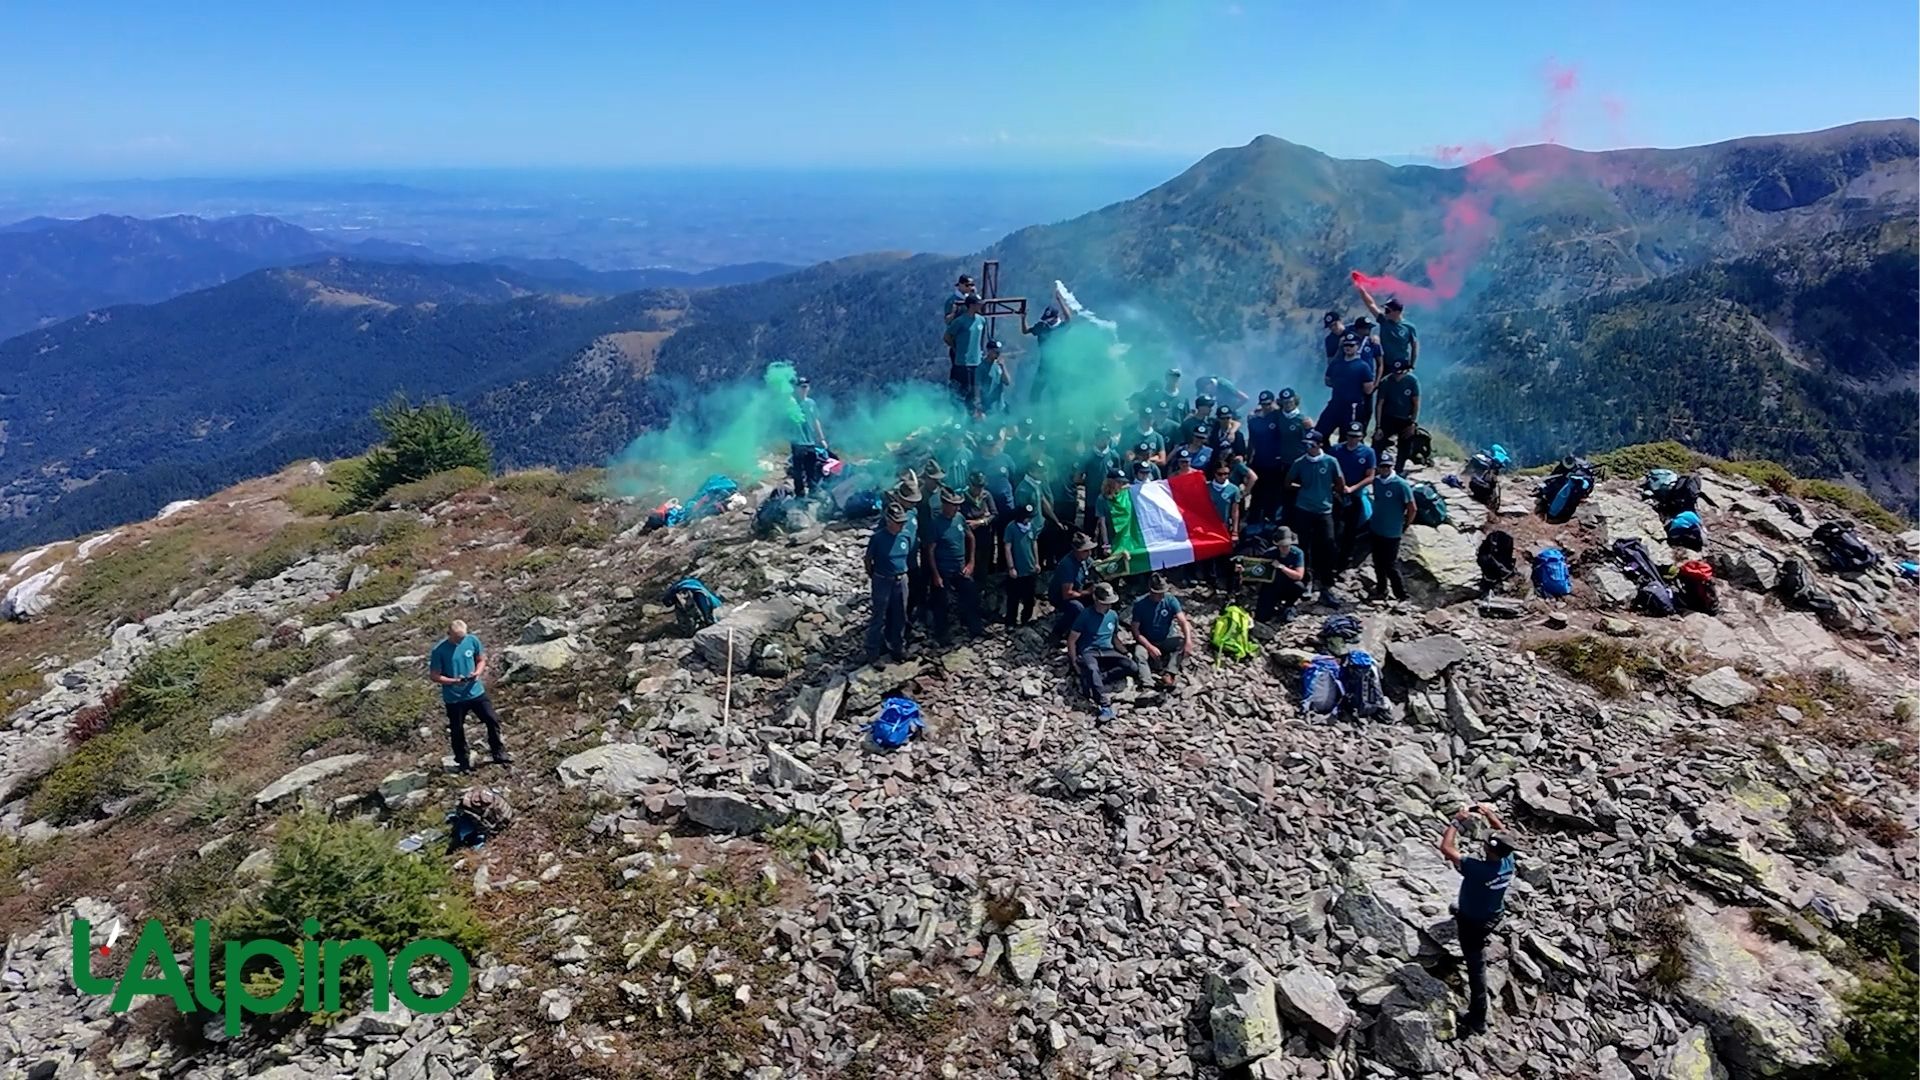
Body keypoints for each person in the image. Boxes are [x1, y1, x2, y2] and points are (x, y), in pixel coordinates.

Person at [1440, 804, 1520, 1036]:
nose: (1482, 843)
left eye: (1485, 842)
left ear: (1490, 849)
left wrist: (1456, 822)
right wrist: (1490, 816)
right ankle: (1460, 912)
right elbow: (1505, 833)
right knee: (1462, 911)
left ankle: (1478, 1018)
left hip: (1473, 923)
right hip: (1493, 914)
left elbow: (1446, 848)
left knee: (1476, 968)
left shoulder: (1478, 869)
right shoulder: (1508, 860)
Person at [429, 620, 510, 772]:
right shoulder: (439, 650)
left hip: (475, 692)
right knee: (457, 729)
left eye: (462, 637)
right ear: (449, 634)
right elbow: (434, 675)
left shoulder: (472, 640)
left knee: (492, 719)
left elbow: (481, 659)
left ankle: (498, 752)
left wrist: (477, 673)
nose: (460, 640)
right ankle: (463, 760)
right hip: (454, 698)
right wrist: (454, 681)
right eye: (457, 638)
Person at [1067, 582, 1140, 723]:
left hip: (1107, 651)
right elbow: (1072, 640)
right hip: (1090, 651)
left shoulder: (1113, 615)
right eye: (1105, 603)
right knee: (1092, 668)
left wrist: (1124, 652)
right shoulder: (1085, 615)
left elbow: (1114, 638)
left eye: (1110, 603)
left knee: (1131, 666)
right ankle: (1104, 705)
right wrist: (1074, 661)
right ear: (1096, 600)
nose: (1108, 606)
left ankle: (1097, 680)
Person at [1285, 431, 1344, 606]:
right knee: (1305, 545)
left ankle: (1326, 582)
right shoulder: (1300, 462)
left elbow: (1340, 481)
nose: (1308, 447)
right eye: (1306, 444)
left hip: (1324, 509)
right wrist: (1302, 488)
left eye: (1311, 444)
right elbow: (1288, 482)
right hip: (1304, 508)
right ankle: (1307, 579)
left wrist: (1332, 490)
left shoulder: (1330, 461)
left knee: (1328, 542)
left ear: (1320, 445)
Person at [925, 487, 984, 641]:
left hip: (961, 567)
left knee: (971, 595)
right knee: (941, 602)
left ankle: (974, 628)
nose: (957, 507)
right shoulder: (935, 524)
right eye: (953, 504)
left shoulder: (960, 518)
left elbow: (971, 537)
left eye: (958, 504)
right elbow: (930, 551)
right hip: (943, 570)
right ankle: (942, 635)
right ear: (944, 504)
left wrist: (971, 562)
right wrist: (936, 575)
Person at [864, 502, 917, 663]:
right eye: (897, 522)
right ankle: (872, 652)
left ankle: (898, 648)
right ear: (888, 521)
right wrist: (874, 574)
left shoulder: (906, 535)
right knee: (879, 616)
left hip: (901, 579)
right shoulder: (878, 538)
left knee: (900, 614)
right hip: (882, 580)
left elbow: (909, 554)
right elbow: (868, 559)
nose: (901, 525)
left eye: (902, 522)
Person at [1129, 573, 1195, 688]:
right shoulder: (1140, 605)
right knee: (1139, 654)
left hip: (1166, 639)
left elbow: (1183, 621)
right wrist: (1150, 647)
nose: (1161, 596)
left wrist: (1188, 641)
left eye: (1162, 593)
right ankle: (1147, 683)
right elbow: (1135, 631)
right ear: (1150, 591)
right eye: (1158, 594)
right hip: (1147, 641)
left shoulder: (1170, 600)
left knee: (1181, 642)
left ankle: (1169, 673)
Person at [1367, 452, 1417, 601]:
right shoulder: (1376, 482)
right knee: (1377, 561)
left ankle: (1402, 595)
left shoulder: (1400, 484)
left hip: (1392, 531)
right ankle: (1381, 589)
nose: (1385, 469)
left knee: (1390, 565)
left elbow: (1412, 507)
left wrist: (1406, 523)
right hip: (1377, 527)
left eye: (1387, 466)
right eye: (1382, 466)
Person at [1331, 421, 1378, 569]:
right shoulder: (1336, 450)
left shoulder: (1368, 453)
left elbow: (1370, 476)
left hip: (1355, 496)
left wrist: (1352, 488)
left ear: (1361, 437)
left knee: (1350, 530)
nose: (1353, 439)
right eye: (1351, 436)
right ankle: (1329, 558)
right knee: (1333, 527)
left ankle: (1344, 561)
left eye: (1356, 436)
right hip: (1336, 495)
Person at [1318, 333, 1378, 439]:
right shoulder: (1335, 364)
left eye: (1351, 345)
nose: (1348, 348)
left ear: (1358, 346)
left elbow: (1368, 390)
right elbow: (1327, 381)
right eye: (1346, 345)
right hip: (1335, 404)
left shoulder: (1363, 367)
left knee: (1347, 437)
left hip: (1352, 407)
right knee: (1319, 433)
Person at [1356, 282, 1419, 370]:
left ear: (1397, 312)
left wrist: (1412, 365)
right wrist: (1361, 289)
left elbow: (1414, 347)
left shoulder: (1409, 327)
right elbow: (1371, 304)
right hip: (1385, 364)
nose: (1385, 312)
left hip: (1402, 364)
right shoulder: (1383, 321)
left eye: (1388, 310)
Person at [1253, 527, 1308, 624]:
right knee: (1261, 616)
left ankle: (1289, 605)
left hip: (1288, 584)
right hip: (1272, 585)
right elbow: (1259, 571)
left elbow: (1299, 575)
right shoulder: (1269, 553)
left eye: (1287, 545)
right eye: (1282, 545)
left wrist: (1282, 567)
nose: (1285, 548)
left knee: (1299, 586)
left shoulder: (1298, 553)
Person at [1049, 534, 1097, 643]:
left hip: (1079, 590)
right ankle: (1058, 632)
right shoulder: (1067, 565)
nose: (1089, 553)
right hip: (1061, 597)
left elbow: (1096, 568)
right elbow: (1067, 594)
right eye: (1086, 551)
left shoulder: (1086, 560)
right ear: (1077, 551)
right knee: (1077, 608)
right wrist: (1087, 592)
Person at [1372, 358, 1421, 459]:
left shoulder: (1412, 381)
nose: (1398, 376)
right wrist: (1378, 426)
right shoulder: (1386, 381)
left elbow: (1416, 403)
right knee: (1377, 441)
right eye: (1396, 373)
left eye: (1400, 373)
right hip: (1388, 417)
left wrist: (1413, 423)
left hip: (1405, 418)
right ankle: (1375, 466)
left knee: (1406, 443)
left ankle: (1400, 468)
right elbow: (1379, 404)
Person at [946, 295, 987, 415]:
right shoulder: (960, 321)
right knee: (963, 391)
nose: (981, 306)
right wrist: (956, 348)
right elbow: (947, 336)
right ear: (972, 305)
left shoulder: (982, 320)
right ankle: (958, 416)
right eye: (979, 304)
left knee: (975, 391)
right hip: (963, 362)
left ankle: (971, 417)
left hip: (977, 361)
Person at [787, 376, 827, 498]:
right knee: (798, 470)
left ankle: (813, 491)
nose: (804, 389)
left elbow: (816, 421)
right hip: (797, 441)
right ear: (796, 388)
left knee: (811, 468)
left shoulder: (811, 403)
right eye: (801, 387)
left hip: (810, 441)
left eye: (806, 387)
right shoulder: (791, 403)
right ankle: (800, 494)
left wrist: (821, 438)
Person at [1003, 503, 1042, 626]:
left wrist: (1037, 562)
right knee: (1013, 599)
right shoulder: (1011, 528)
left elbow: (1034, 543)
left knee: (1029, 599)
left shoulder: (1031, 527)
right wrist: (1011, 567)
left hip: (1030, 569)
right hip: (1017, 571)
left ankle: (1026, 619)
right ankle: (1010, 622)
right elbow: (1007, 547)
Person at [963, 471, 1000, 573]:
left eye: (981, 487)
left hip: (985, 535)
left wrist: (980, 521)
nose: (979, 490)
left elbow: (994, 514)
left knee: (983, 563)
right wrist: (984, 515)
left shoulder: (986, 495)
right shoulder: (963, 497)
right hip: (969, 537)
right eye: (976, 487)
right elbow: (964, 517)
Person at [981, 339, 1012, 415]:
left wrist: (1003, 367)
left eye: (999, 351)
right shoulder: (982, 367)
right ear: (989, 351)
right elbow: (977, 385)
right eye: (995, 351)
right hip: (987, 406)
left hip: (1000, 405)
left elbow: (1007, 382)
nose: (998, 353)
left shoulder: (999, 365)